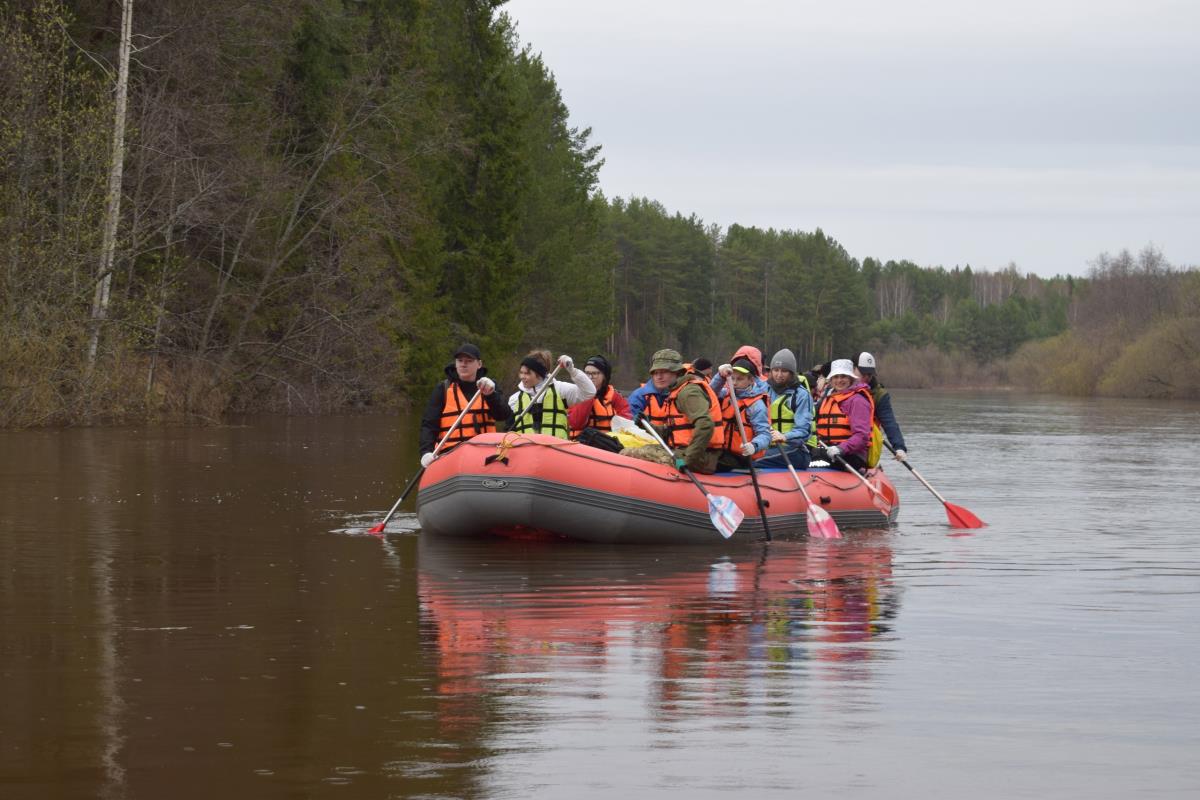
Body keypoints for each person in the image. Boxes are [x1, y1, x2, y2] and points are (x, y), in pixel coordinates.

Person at [623, 349, 725, 474]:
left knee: (626, 453)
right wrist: (647, 425)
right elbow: (672, 432)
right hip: (684, 451)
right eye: (655, 372)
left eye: (664, 372)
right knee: (637, 449)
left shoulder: (688, 392)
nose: (659, 376)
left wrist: (688, 459)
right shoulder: (675, 391)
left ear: (677, 372)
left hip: (702, 457)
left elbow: (705, 425)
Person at [419, 343, 512, 466]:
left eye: (469, 361)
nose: (463, 364)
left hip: (485, 452)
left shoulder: (489, 386)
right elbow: (429, 425)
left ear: (479, 364)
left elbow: (503, 415)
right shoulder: (443, 389)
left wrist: (491, 395)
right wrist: (426, 451)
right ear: (455, 363)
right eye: (460, 360)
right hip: (451, 454)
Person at [507, 349, 595, 439]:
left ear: (539, 374)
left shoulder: (560, 390)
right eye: (521, 373)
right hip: (526, 450)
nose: (522, 377)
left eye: (527, 373)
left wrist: (572, 370)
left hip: (555, 450)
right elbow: (508, 430)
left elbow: (589, 392)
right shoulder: (515, 399)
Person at [756, 348, 814, 470]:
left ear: (792, 373)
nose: (779, 375)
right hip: (768, 446)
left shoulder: (801, 394)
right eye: (776, 370)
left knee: (752, 460)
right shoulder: (764, 389)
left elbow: (805, 430)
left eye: (784, 371)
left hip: (794, 450)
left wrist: (784, 436)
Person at [813, 358, 875, 472]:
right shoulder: (828, 399)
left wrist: (841, 448)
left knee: (813, 462)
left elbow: (862, 436)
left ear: (851, 379)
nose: (839, 380)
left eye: (843, 376)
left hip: (852, 455)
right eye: (836, 377)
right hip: (828, 450)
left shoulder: (857, 401)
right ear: (831, 380)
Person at [714, 357, 772, 471]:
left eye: (740, 379)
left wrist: (754, 446)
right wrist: (720, 377)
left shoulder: (756, 405)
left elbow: (765, 435)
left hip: (741, 457)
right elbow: (709, 393)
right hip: (722, 451)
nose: (734, 383)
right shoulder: (727, 394)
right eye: (732, 378)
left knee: (707, 462)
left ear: (751, 380)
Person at [857, 352, 908, 462]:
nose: (866, 378)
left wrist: (899, 447)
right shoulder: (837, 387)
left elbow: (890, 423)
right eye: (863, 374)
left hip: (863, 446)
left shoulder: (879, 395)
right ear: (853, 370)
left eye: (869, 374)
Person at [568, 354, 632, 438]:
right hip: (582, 445)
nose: (590, 377)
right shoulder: (576, 394)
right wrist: (588, 393)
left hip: (608, 444)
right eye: (587, 373)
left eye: (595, 373)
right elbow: (576, 423)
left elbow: (626, 423)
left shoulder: (615, 397)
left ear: (604, 376)